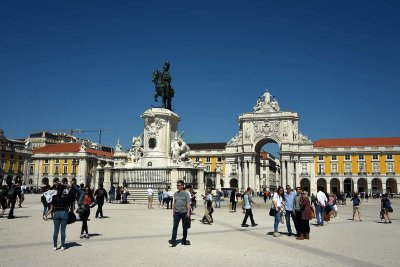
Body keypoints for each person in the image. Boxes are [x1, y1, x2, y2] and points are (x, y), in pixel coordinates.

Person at [47, 184, 71, 250]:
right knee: (63, 230)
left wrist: (46, 215)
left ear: (57, 190)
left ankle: (55, 246)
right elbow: (69, 205)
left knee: (56, 231)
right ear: (63, 190)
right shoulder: (66, 196)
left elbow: (52, 206)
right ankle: (63, 246)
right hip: (64, 213)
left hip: (56, 213)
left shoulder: (54, 197)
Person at [169, 180, 191, 247]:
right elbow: (174, 203)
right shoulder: (176, 193)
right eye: (177, 185)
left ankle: (184, 240)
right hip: (177, 213)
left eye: (178, 185)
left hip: (184, 213)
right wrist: (173, 212)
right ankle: (173, 240)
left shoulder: (186, 193)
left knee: (185, 227)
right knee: (175, 226)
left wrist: (188, 212)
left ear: (182, 186)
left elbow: (188, 203)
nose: (177, 186)